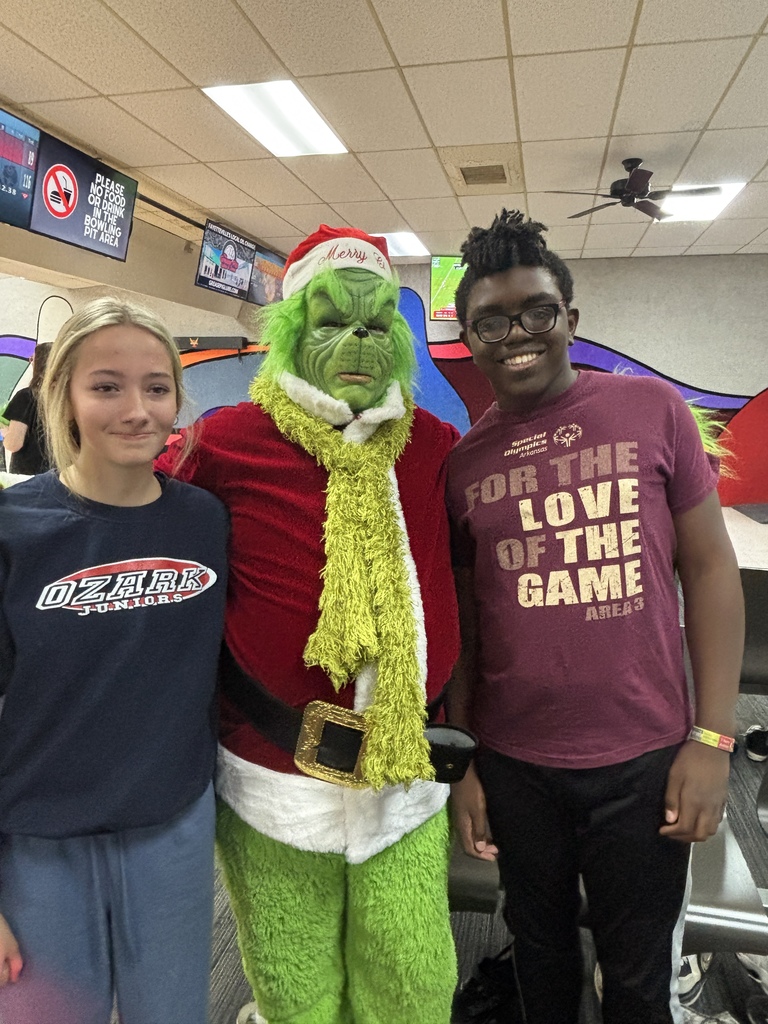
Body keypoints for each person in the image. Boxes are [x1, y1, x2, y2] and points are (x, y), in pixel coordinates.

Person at [157, 225, 463, 1024]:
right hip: (271, 770)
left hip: (404, 774)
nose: (352, 345)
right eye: (328, 324)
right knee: (296, 985)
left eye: (371, 326)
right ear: (290, 334)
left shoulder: (431, 446)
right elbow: (136, 520)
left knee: (412, 978)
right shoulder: (224, 443)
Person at [446, 210, 744, 1024]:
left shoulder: (653, 411)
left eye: (537, 311)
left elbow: (713, 572)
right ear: (469, 337)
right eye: (491, 322)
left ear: (570, 320)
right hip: (514, 765)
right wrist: (465, 763)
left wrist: (713, 739)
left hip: (644, 758)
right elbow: (468, 630)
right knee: (539, 959)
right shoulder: (464, 464)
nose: (518, 334)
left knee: (639, 973)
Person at [0, 298, 228, 1024]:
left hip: (171, 828)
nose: (137, 410)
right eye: (106, 386)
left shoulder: (203, 519)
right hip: (36, 842)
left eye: (156, 387)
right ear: (63, 394)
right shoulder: (14, 528)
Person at [1, 342, 53, 474]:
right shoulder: (68, 398)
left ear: (40, 363)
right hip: (59, 477)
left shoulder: (27, 396)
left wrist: (5, 431)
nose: (31, 363)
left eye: (32, 359)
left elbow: (14, 444)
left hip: (28, 477)